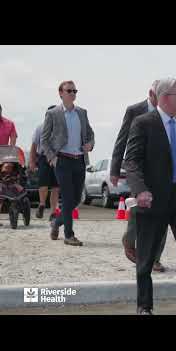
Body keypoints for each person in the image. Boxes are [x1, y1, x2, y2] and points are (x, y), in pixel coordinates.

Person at [124, 77, 176, 315]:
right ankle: (145, 306)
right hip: (152, 198)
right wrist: (140, 190)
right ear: (164, 98)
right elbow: (132, 161)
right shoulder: (143, 123)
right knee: (147, 256)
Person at [110, 81, 166, 272]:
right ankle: (130, 239)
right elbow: (122, 138)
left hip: (160, 170)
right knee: (138, 209)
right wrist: (114, 169)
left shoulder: (168, 112)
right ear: (152, 93)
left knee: (162, 212)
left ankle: (155, 258)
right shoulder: (135, 110)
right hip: (137, 170)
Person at [41, 80, 95, 246]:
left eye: (74, 91)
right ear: (61, 93)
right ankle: (69, 235)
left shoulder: (82, 112)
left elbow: (90, 133)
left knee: (76, 199)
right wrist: (51, 157)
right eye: (69, 91)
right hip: (62, 160)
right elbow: (44, 139)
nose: (72, 93)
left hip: (79, 160)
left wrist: (90, 144)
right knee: (67, 197)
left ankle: (57, 223)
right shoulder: (53, 114)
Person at [29, 106, 60, 221]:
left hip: (57, 158)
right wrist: (32, 161)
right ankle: (42, 204)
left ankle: (53, 212)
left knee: (56, 187)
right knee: (43, 184)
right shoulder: (40, 128)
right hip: (43, 158)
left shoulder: (61, 128)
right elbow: (34, 146)